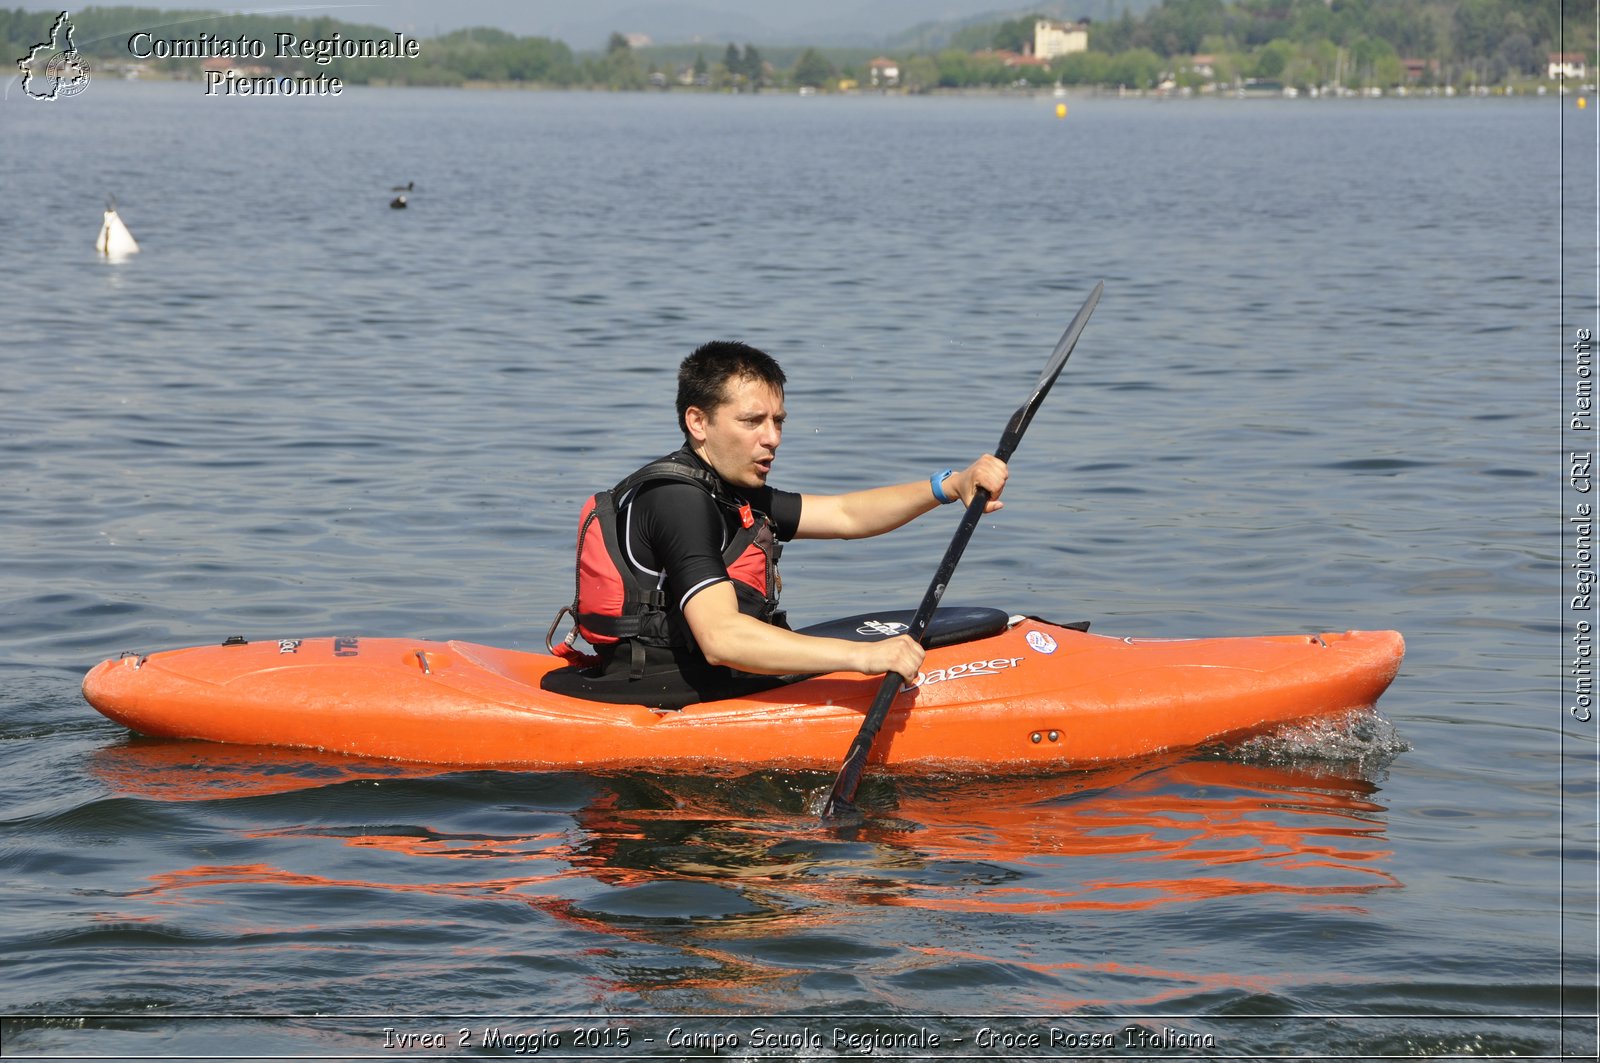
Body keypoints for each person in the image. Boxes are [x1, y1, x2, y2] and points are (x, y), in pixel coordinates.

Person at [542, 340, 1008, 708]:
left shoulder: (729, 490)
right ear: (698, 422)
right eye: (752, 421)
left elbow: (846, 515)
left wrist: (950, 485)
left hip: (707, 680)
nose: (773, 439)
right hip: (661, 693)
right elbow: (721, 638)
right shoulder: (677, 501)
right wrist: (864, 657)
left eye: (778, 421)